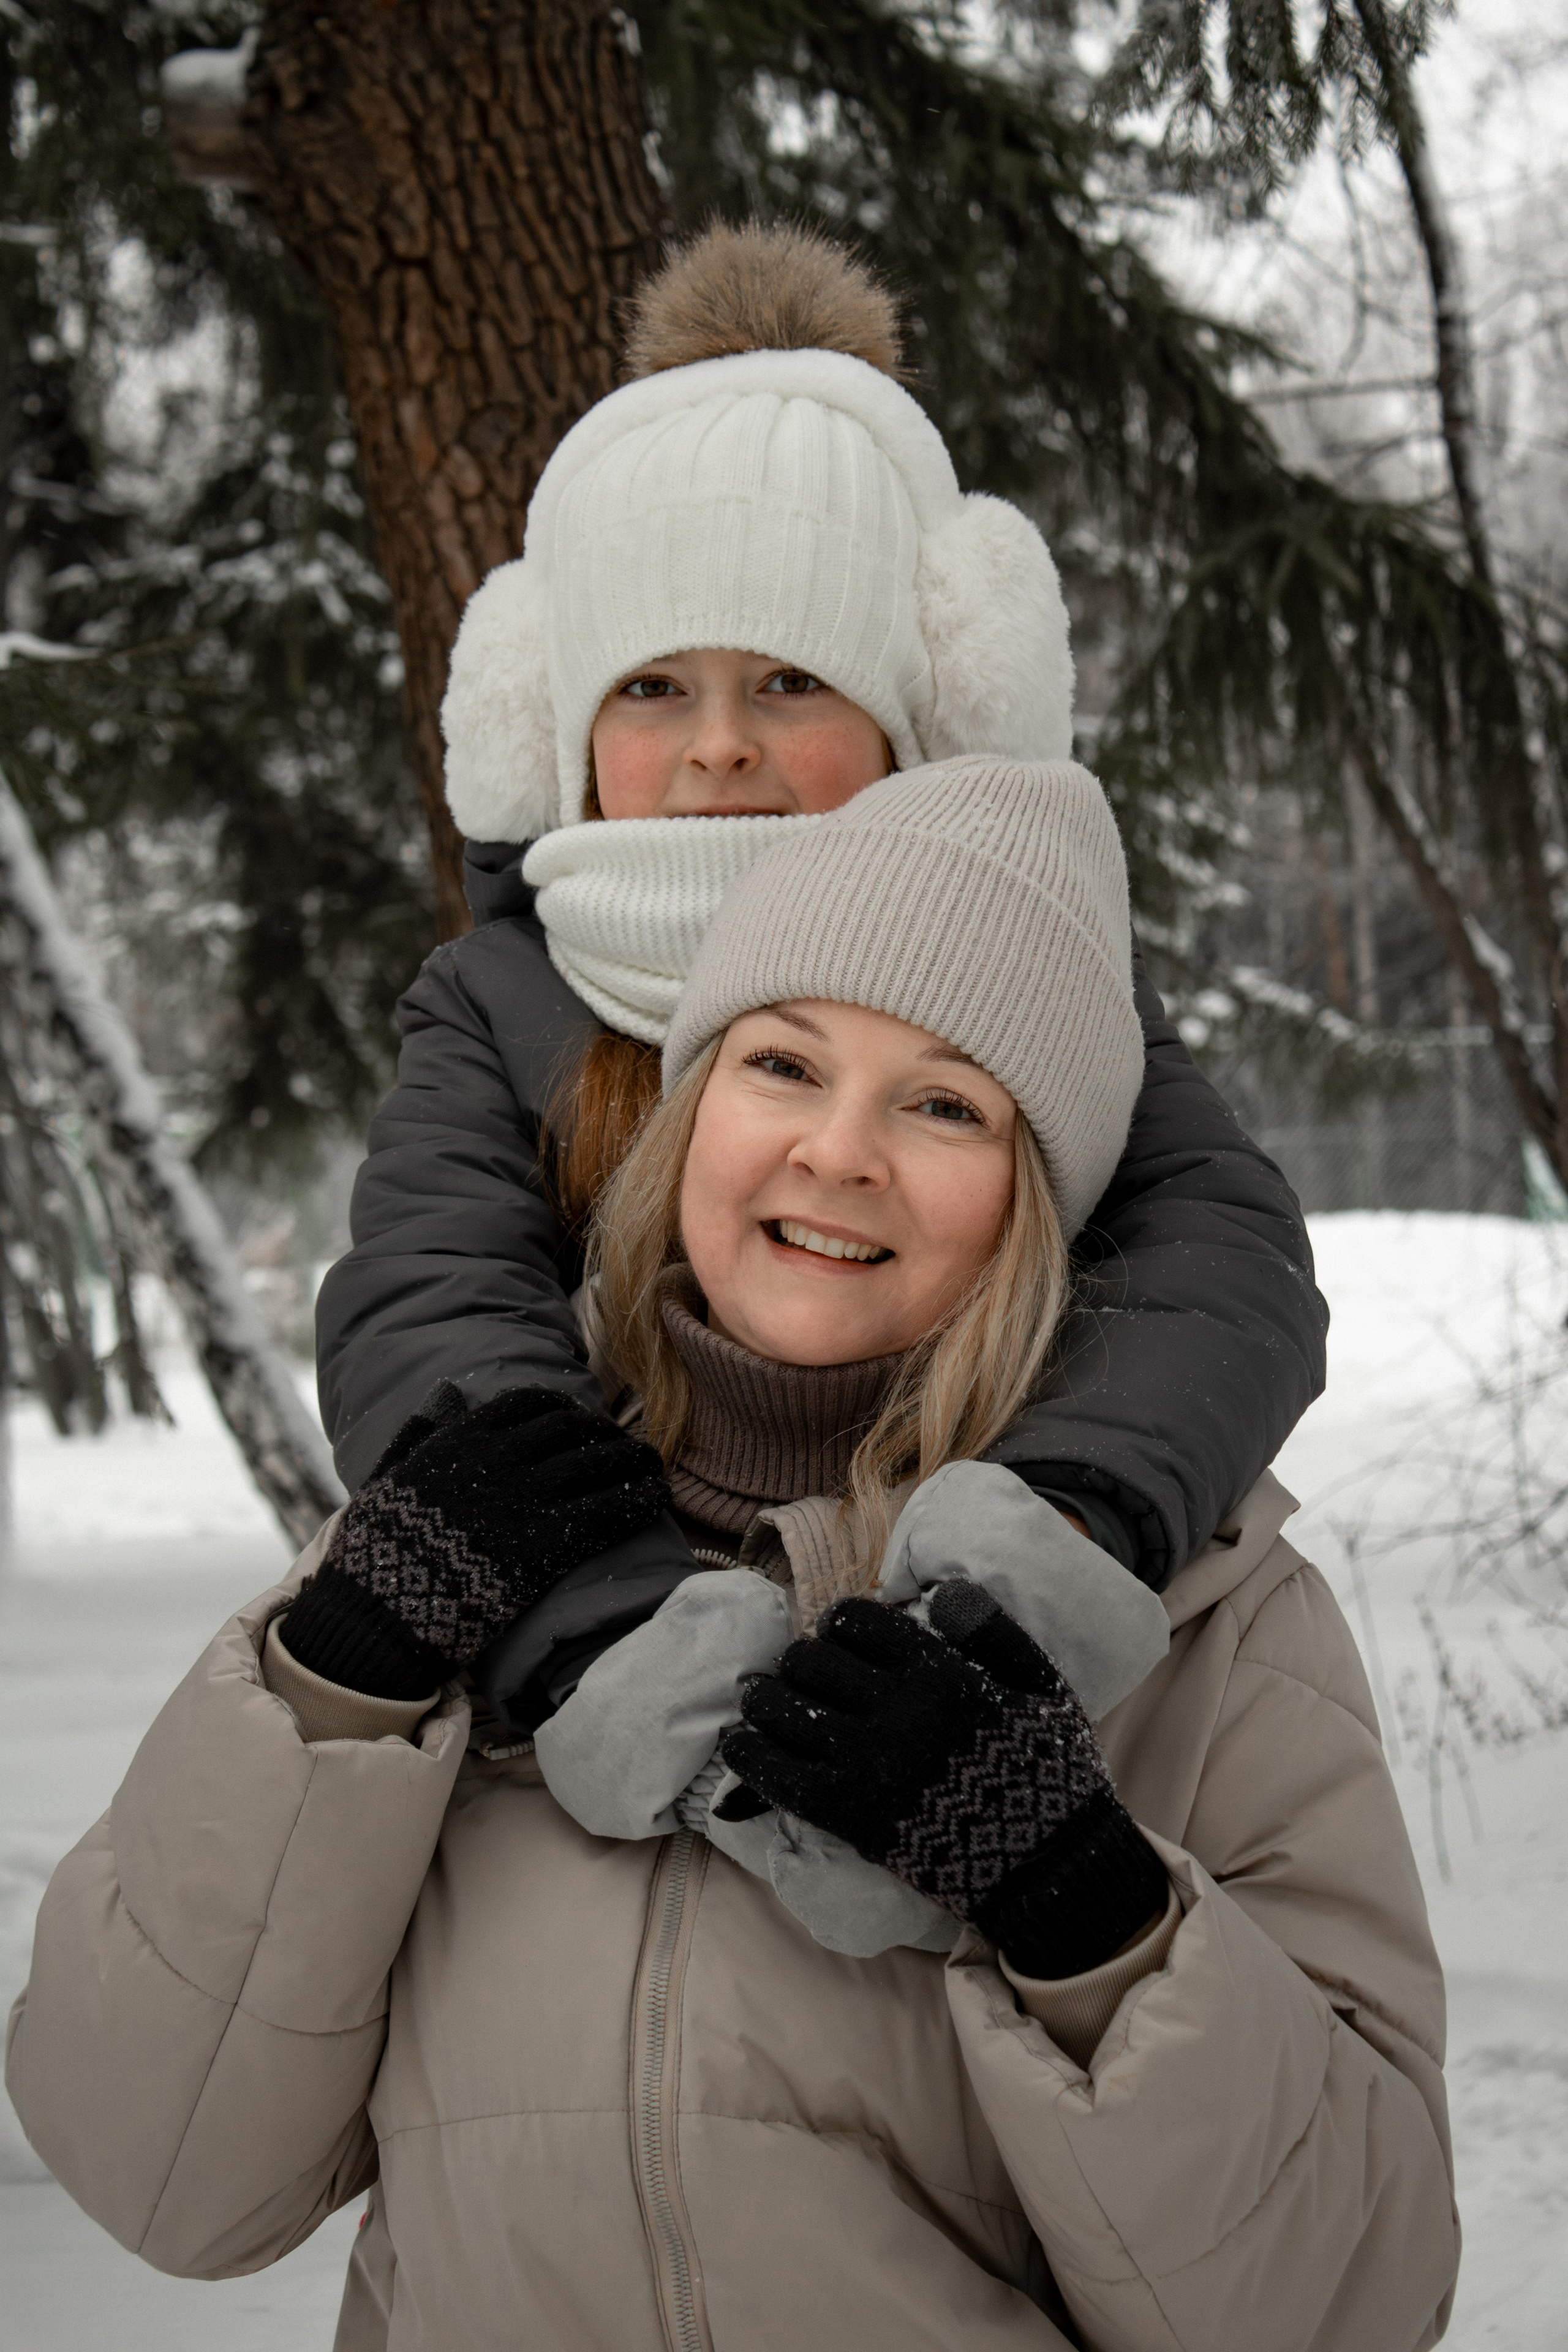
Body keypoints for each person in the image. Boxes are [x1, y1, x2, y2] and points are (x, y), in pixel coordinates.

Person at [8, 757, 1458, 2352]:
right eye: (782, 1063)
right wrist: (345, 1675)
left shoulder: (1204, 1617)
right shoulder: (471, 1530)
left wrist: (1082, 1909)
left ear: (1037, 1195)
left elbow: (1345, 2309)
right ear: (691, 1108)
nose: (838, 1153)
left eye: (945, 1103)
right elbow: (165, 2175)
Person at [312, 220, 1329, 1728]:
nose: (719, 744)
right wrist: (589, 1618)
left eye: (790, 680)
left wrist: (1056, 1522)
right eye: (652, 686)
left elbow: (1215, 1270)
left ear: (927, 708)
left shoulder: (1016, 970)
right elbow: (432, 1300)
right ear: (553, 727)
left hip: (919, 1608)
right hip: (610, 1636)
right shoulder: (501, 998)